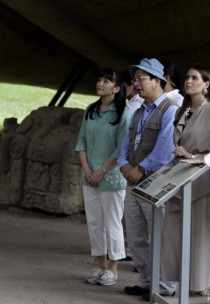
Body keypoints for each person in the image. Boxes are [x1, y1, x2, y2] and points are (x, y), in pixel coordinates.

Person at [117, 58, 178, 300]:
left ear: (157, 81)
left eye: (141, 79)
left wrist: (139, 169)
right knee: (136, 235)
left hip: (154, 182)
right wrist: (123, 164)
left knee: (159, 235)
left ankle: (164, 286)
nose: (137, 84)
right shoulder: (139, 111)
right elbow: (126, 143)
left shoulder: (170, 110)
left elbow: (164, 149)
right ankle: (146, 280)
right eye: (135, 80)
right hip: (133, 182)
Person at [161, 64, 210, 300]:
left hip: (204, 182)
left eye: (195, 78)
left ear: (207, 84)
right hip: (179, 180)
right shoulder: (182, 110)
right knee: (174, 232)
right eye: (188, 78)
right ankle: (179, 281)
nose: (189, 81)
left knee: (199, 236)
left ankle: (200, 285)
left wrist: (198, 157)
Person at [74, 68, 130, 286]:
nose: (101, 83)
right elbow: (81, 143)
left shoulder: (123, 113)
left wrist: (100, 171)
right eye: (99, 79)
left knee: (113, 223)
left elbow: (121, 149)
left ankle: (113, 270)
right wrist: (87, 169)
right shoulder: (90, 110)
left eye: (107, 81)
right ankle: (101, 267)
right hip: (89, 176)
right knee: (95, 223)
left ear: (116, 89)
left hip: (112, 177)